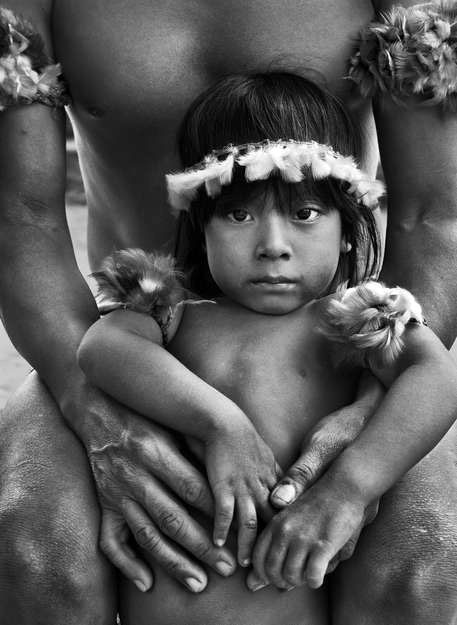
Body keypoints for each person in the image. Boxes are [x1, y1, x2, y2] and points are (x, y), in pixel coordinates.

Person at [1, 1, 457, 624]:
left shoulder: (365, 320)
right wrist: (95, 407)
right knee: (36, 546)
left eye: (303, 212)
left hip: (340, 347)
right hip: (127, 334)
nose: (272, 241)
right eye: (239, 213)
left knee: (424, 555)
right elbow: (19, 217)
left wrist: (366, 445)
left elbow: (436, 216)